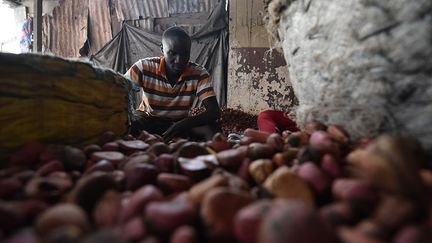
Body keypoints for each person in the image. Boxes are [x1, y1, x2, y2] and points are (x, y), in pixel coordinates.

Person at [124, 26, 221, 142]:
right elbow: (120, 90)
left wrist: (182, 124)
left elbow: (214, 111)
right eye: (172, 53)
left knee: (214, 129)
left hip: (180, 122)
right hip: (148, 119)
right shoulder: (143, 67)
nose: (179, 60)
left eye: (184, 54)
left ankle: (213, 156)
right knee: (128, 124)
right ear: (162, 49)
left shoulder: (199, 74)